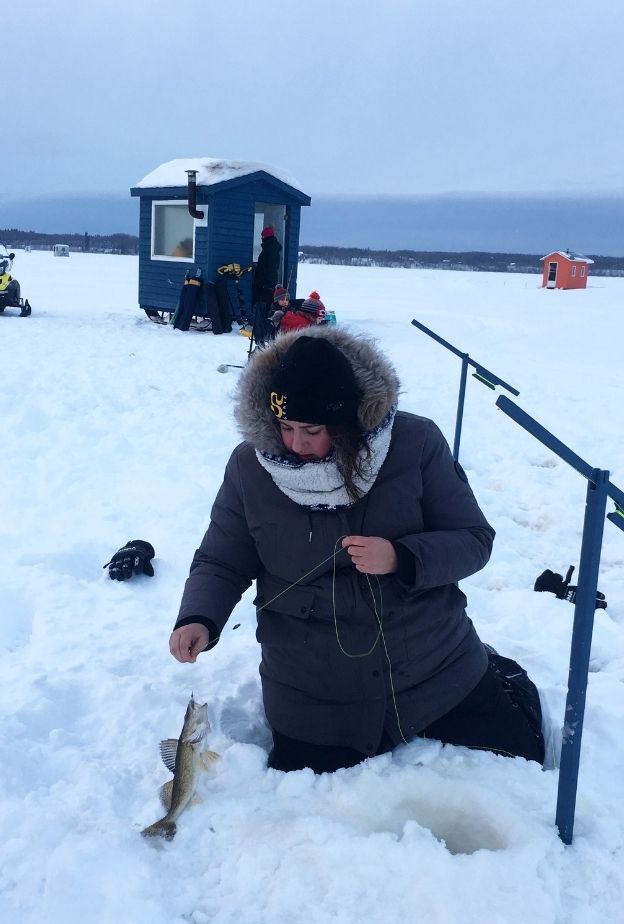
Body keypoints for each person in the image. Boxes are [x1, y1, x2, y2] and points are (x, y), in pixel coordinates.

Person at [169, 328, 545, 773]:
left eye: (312, 429)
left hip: (434, 672)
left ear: (347, 422)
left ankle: (492, 670)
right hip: (312, 696)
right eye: (285, 427)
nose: (296, 444)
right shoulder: (248, 466)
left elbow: (473, 538)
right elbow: (222, 557)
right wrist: (199, 616)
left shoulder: (417, 444)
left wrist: (402, 557)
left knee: (524, 754)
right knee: (306, 795)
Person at [251, 226, 282, 345]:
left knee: (263, 307)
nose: (261, 238)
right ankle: (262, 329)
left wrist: (263, 282)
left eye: (262, 236)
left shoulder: (270, 249)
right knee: (264, 307)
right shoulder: (271, 248)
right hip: (267, 284)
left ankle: (262, 331)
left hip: (266, 285)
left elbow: (269, 269)